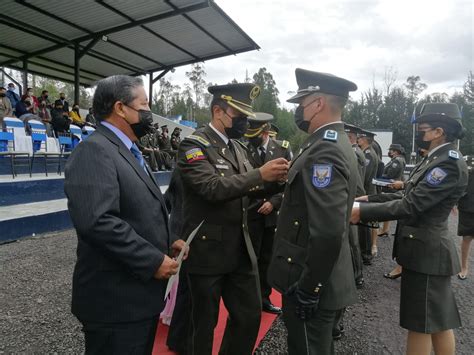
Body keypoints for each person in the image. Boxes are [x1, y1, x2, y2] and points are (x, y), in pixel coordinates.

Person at [64, 75, 187, 355]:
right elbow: (98, 221)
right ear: (120, 108)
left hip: (135, 297)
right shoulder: (94, 151)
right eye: (143, 105)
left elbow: (142, 210)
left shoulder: (128, 151)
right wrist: (153, 260)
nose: (149, 113)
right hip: (114, 302)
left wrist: (169, 242)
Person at [177, 83, 289, 355]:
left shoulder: (237, 148)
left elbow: (249, 187)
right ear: (218, 111)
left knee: (249, 317)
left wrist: (278, 183)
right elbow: (212, 188)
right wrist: (259, 175)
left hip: (240, 250)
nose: (244, 122)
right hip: (208, 252)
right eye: (238, 115)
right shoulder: (194, 145)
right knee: (203, 325)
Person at [351, 103, 468, 355]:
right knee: (437, 321)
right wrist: (368, 200)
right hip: (425, 249)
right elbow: (408, 193)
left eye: (424, 130)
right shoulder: (436, 158)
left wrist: (361, 212)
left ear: (439, 131)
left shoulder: (446, 163)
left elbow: (412, 205)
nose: (421, 135)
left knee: (421, 323)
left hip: (427, 253)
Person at [267, 69, 358, 355]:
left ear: (317, 103)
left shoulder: (324, 150)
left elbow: (328, 231)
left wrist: (310, 287)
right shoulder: (330, 142)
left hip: (310, 276)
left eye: (301, 104)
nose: (298, 112)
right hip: (321, 272)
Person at [245, 112, 293, 315]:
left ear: (265, 132)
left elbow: (289, 183)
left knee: (267, 258)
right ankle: (248, 299)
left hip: (272, 213)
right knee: (250, 258)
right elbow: (242, 181)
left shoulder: (282, 149)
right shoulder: (243, 149)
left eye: (255, 134)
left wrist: (273, 203)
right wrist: (259, 202)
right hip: (251, 211)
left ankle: (264, 298)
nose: (251, 139)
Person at [343, 123, 366, 289]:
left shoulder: (351, 152)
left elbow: (357, 183)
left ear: (349, 136)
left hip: (351, 201)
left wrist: (355, 202)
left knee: (352, 241)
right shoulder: (358, 151)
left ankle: (357, 276)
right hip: (355, 199)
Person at [357, 129, 380, 262]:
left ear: (365, 139)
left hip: (367, 192)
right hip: (367, 191)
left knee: (365, 225)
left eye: (360, 137)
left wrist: (361, 192)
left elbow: (365, 176)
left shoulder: (369, 154)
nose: (358, 139)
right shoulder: (366, 153)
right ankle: (366, 252)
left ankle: (366, 254)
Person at [376, 144, 406, 239]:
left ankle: (385, 230)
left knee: (388, 209)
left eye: (391, 150)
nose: (389, 152)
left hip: (391, 187)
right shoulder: (399, 159)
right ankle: (386, 229)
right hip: (394, 187)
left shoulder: (397, 161)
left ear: (396, 151)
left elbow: (390, 175)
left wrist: (379, 175)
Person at [457, 155, 474, 280]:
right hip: (467, 205)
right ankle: (464, 267)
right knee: (467, 237)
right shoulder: (467, 160)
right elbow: (459, 180)